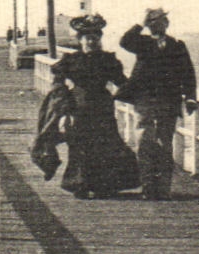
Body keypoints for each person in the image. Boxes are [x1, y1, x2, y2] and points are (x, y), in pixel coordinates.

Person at [47, 14, 140, 199]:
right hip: (78, 106)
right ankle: (79, 184)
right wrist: (64, 109)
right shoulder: (70, 60)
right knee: (80, 146)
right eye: (87, 38)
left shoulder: (108, 60)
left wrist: (143, 90)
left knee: (106, 144)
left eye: (95, 38)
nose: (91, 41)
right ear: (80, 40)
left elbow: (122, 82)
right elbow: (58, 84)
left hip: (102, 106)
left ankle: (104, 185)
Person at [117, 8, 198, 200]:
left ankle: (163, 189)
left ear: (167, 24)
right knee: (144, 141)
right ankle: (147, 187)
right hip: (144, 98)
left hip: (168, 100)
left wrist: (191, 97)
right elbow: (124, 41)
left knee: (165, 143)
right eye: (152, 22)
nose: (156, 25)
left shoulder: (177, 45)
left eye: (160, 21)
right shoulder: (142, 43)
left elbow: (187, 72)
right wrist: (140, 24)